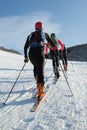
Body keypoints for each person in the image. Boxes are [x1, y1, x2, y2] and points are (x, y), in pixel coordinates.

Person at [24, 21, 53, 100]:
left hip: (31, 55)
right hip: (39, 53)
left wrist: (26, 57)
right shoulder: (45, 34)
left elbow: (25, 46)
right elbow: (52, 44)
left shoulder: (30, 35)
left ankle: (37, 83)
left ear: (35, 27)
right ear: (42, 27)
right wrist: (50, 46)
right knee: (41, 71)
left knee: (35, 66)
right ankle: (40, 92)